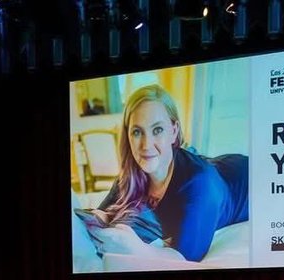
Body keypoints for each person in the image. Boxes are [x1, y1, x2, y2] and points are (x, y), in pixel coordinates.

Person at [80, 84, 249, 265]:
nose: (146, 145)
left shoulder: (199, 184)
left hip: (246, 177)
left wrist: (137, 248)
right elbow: (103, 213)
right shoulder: (132, 172)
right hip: (214, 165)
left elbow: (183, 259)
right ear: (128, 136)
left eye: (157, 130)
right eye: (137, 132)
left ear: (174, 131)